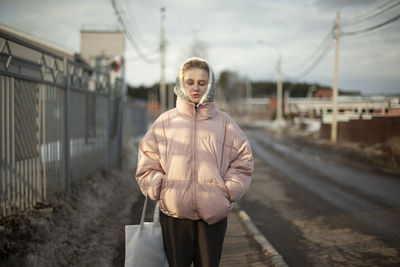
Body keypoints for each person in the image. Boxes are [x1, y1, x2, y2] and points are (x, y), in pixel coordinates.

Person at [135, 57, 254, 267]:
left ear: (210, 85)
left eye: (202, 82)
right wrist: (157, 185)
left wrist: (228, 190)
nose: (196, 88)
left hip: (213, 216)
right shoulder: (165, 122)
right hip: (174, 215)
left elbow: (243, 160)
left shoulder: (225, 123)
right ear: (181, 84)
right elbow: (147, 160)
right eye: (190, 82)